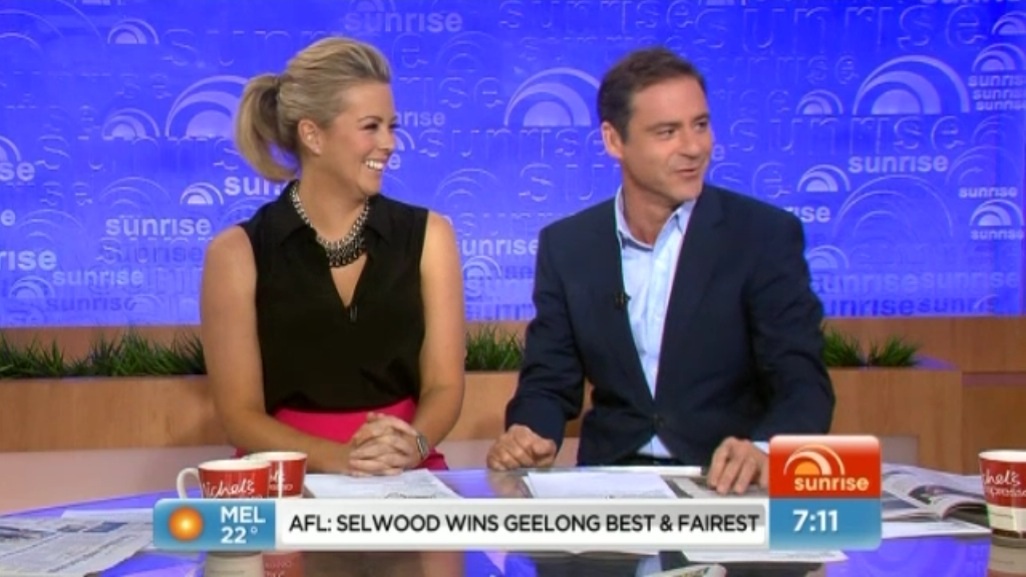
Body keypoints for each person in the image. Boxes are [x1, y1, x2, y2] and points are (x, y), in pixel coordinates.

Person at [486, 47, 835, 493]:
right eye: (667, 132)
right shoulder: (569, 246)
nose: (694, 148)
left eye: (700, 125)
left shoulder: (762, 236)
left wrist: (765, 450)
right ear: (614, 141)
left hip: (726, 484)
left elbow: (802, 383)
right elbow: (548, 383)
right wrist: (529, 435)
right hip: (611, 485)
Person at [200, 37, 466, 476]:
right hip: (287, 476)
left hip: (403, 469)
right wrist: (342, 460)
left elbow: (444, 385)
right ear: (312, 135)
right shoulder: (237, 253)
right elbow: (239, 417)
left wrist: (414, 444)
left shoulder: (429, 236)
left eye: (392, 127)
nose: (389, 143)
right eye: (371, 127)